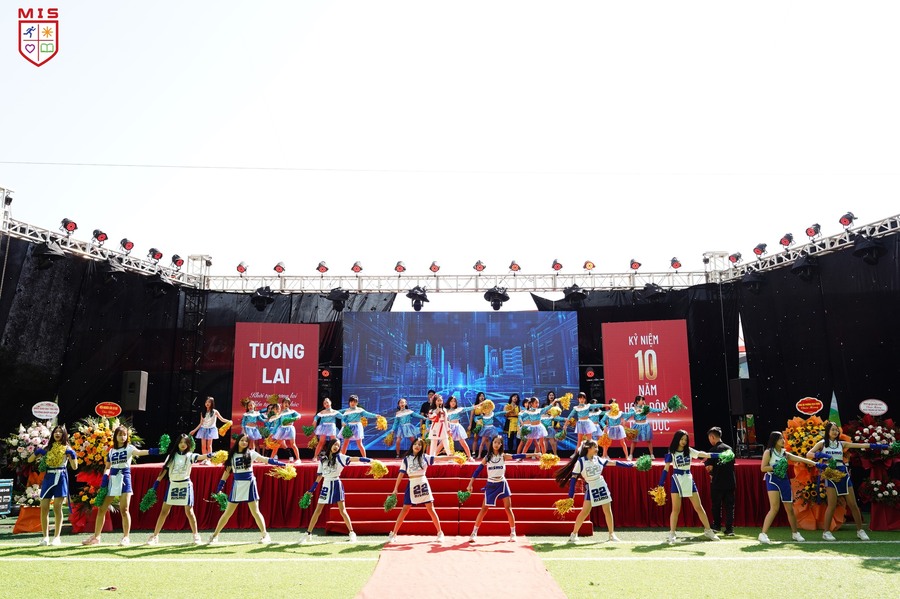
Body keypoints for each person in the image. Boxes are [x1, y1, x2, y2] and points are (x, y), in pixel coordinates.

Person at [806, 420, 888, 541]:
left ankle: (860, 530)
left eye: (836, 430)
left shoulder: (842, 444)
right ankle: (826, 532)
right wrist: (824, 456)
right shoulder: (822, 444)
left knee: (853, 504)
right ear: (827, 431)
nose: (835, 432)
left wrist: (881, 446)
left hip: (843, 473)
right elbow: (809, 454)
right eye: (833, 429)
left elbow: (860, 445)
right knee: (832, 505)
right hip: (830, 473)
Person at [82, 426, 161, 546]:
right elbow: (107, 467)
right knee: (102, 509)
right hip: (113, 479)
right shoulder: (111, 451)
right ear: (115, 436)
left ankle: (126, 537)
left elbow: (140, 452)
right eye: (120, 434)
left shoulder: (130, 448)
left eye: (124, 434)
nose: (122, 437)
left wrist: (154, 451)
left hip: (125, 478)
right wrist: (105, 477)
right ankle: (96, 537)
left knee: (124, 509)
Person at [208, 433, 285, 544]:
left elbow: (265, 459)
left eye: (246, 441)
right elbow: (227, 472)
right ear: (237, 441)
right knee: (227, 513)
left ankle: (265, 535)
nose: (244, 442)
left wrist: (282, 464)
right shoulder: (231, 455)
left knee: (255, 512)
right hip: (237, 485)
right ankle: (214, 535)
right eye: (242, 440)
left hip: (250, 484)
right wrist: (219, 487)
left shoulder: (251, 453)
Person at [554, 439, 632, 543]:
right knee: (585, 512)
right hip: (591, 487)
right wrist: (570, 496)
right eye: (595, 447)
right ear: (588, 448)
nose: (597, 449)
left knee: (607, 510)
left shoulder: (598, 459)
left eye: (597, 447)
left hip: (601, 485)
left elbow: (614, 463)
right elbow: (573, 480)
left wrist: (630, 465)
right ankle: (574, 534)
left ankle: (611, 534)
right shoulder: (580, 462)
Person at [466, 435, 538, 542]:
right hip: (491, 484)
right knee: (484, 509)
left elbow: (518, 455)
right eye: (495, 442)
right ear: (492, 443)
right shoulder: (487, 457)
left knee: (508, 508)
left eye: (499, 443)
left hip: (502, 484)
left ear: (501, 445)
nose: (496, 444)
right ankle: (474, 532)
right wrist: (470, 484)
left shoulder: (503, 456)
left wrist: (534, 454)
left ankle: (513, 533)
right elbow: (477, 471)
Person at [300, 438, 372, 543]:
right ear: (330, 445)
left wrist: (370, 460)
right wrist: (311, 490)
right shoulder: (323, 459)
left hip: (336, 484)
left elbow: (354, 459)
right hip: (326, 485)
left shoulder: (341, 457)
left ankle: (352, 533)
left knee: (342, 510)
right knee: (318, 510)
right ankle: (308, 534)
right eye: (335, 444)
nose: (336, 447)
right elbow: (319, 476)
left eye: (338, 445)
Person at [387, 438, 457, 543]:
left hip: (423, 483)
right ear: (412, 446)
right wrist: (395, 488)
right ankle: (394, 534)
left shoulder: (425, 457)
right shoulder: (406, 459)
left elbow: (438, 458)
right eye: (415, 444)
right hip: (412, 484)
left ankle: (440, 533)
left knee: (430, 509)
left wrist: (454, 457)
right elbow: (401, 474)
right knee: (405, 509)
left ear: (422, 447)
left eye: (419, 445)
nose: (417, 446)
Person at [659, 429, 720, 544]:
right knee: (676, 509)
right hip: (677, 480)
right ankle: (672, 533)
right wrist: (660, 484)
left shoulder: (689, 451)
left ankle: (708, 530)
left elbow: (704, 454)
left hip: (688, 479)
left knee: (699, 507)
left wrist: (720, 455)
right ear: (677, 439)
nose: (684, 441)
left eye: (686, 440)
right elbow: (666, 468)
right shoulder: (671, 452)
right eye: (682, 439)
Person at [758, 431, 820, 544]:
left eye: (783, 438)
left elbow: (799, 459)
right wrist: (775, 466)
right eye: (780, 438)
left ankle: (795, 533)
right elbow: (763, 468)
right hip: (772, 480)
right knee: (774, 508)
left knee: (790, 509)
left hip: (784, 480)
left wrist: (816, 464)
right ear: (774, 440)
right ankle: (763, 534)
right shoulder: (768, 452)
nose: (783, 440)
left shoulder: (785, 453)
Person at [146, 433, 204, 545]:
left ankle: (196, 535)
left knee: (189, 512)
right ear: (177, 443)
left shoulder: (190, 456)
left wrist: (211, 455)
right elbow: (164, 471)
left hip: (185, 485)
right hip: (173, 485)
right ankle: (155, 536)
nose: (183, 444)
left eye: (185, 442)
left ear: (188, 444)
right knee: (164, 511)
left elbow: (200, 457)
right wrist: (156, 484)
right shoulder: (171, 456)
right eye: (181, 442)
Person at [29, 425, 78, 546]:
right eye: (55, 432)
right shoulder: (47, 448)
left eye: (60, 432)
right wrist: (37, 452)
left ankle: (57, 537)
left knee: (57, 507)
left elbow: (74, 467)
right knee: (44, 506)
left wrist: (73, 455)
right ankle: (45, 537)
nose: (57, 434)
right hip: (48, 478)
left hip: (61, 477)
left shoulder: (67, 448)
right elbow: (29, 460)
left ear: (64, 435)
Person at [705, 427, 736, 536]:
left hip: (717, 482)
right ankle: (729, 529)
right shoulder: (729, 449)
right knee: (729, 506)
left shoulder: (713, 450)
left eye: (709, 438)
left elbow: (709, 467)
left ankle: (717, 526)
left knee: (716, 505)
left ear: (712, 437)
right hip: (730, 481)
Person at [625, 395, 664, 460]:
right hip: (637, 425)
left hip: (645, 425)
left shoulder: (645, 407)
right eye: (642, 400)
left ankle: (652, 455)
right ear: (637, 401)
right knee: (634, 441)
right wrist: (624, 421)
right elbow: (628, 416)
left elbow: (654, 410)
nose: (643, 401)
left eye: (643, 400)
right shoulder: (633, 409)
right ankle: (630, 455)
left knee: (648, 441)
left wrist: (662, 410)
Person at [271, 397, 301, 462]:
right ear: (282, 404)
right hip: (282, 429)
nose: (286, 404)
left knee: (293, 444)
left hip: (290, 428)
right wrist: (272, 433)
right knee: (277, 445)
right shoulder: (280, 414)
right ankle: (271, 459)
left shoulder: (292, 412)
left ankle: (298, 459)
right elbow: (277, 425)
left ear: (289, 404)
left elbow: (299, 416)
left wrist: (293, 419)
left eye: (287, 403)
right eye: (285, 402)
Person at [445, 395, 474, 460]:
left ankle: (469, 457)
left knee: (463, 442)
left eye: (454, 401)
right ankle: (434, 457)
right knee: (446, 443)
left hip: (457, 427)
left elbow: (468, 408)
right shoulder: (446, 411)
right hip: (449, 427)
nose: (453, 403)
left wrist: (477, 406)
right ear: (449, 402)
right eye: (451, 401)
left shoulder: (458, 409)